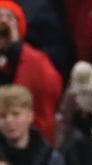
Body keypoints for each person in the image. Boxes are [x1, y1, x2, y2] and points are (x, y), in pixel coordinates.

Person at [0, 1, 62, 144]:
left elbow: (53, 88)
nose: (3, 21)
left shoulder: (34, 59)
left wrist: (18, 48)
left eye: (10, 18)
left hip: (32, 143)